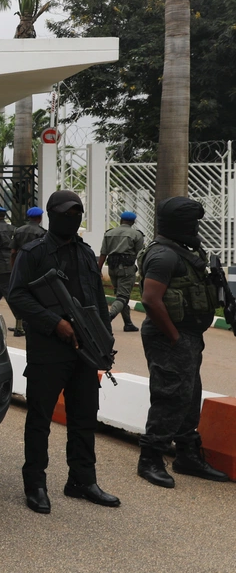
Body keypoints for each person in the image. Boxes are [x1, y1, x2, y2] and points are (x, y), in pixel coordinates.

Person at [8, 190, 120, 515]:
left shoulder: (85, 253)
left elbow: (98, 299)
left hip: (85, 350)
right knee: (40, 418)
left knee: (84, 417)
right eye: (66, 213)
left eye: (77, 213)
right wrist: (55, 322)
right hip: (48, 350)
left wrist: (104, 342)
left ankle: (83, 481)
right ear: (51, 214)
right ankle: (36, 485)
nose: (72, 218)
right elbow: (17, 296)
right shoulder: (34, 253)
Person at [135, 197, 230, 487]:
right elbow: (150, 299)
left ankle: (187, 455)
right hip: (169, 336)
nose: (196, 228)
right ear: (179, 224)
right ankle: (150, 458)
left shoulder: (183, 251)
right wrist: (175, 338)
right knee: (170, 395)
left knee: (188, 395)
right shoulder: (164, 255)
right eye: (192, 223)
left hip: (187, 336)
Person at [97, 211, 143, 332]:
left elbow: (103, 253)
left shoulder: (109, 233)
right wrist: (143, 272)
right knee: (123, 296)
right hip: (127, 269)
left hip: (112, 268)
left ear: (121, 221)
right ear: (133, 222)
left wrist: (98, 269)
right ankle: (108, 317)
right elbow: (140, 255)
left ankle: (128, 323)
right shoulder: (136, 235)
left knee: (121, 296)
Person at [9, 207, 47, 336]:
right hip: (36, 269)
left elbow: (13, 252)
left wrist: (14, 268)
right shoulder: (42, 233)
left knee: (20, 295)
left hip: (20, 267)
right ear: (40, 218)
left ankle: (18, 325)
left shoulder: (18, 231)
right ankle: (30, 325)